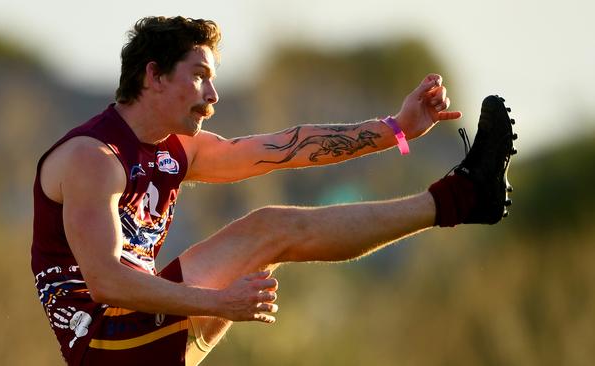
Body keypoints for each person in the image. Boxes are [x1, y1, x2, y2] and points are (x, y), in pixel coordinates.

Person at [31, 16, 517, 366]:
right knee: (269, 230)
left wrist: (397, 128)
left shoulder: (178, 149)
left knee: (271, 228)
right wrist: (220, 304)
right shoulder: (92, 160)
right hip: (105, 341)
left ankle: (463, 197)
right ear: (153, 76)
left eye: (213, 81)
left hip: (143, 322)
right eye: (199, 77)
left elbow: (289, 146)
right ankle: (462, 197)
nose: (212, 96)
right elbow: (106, 283)